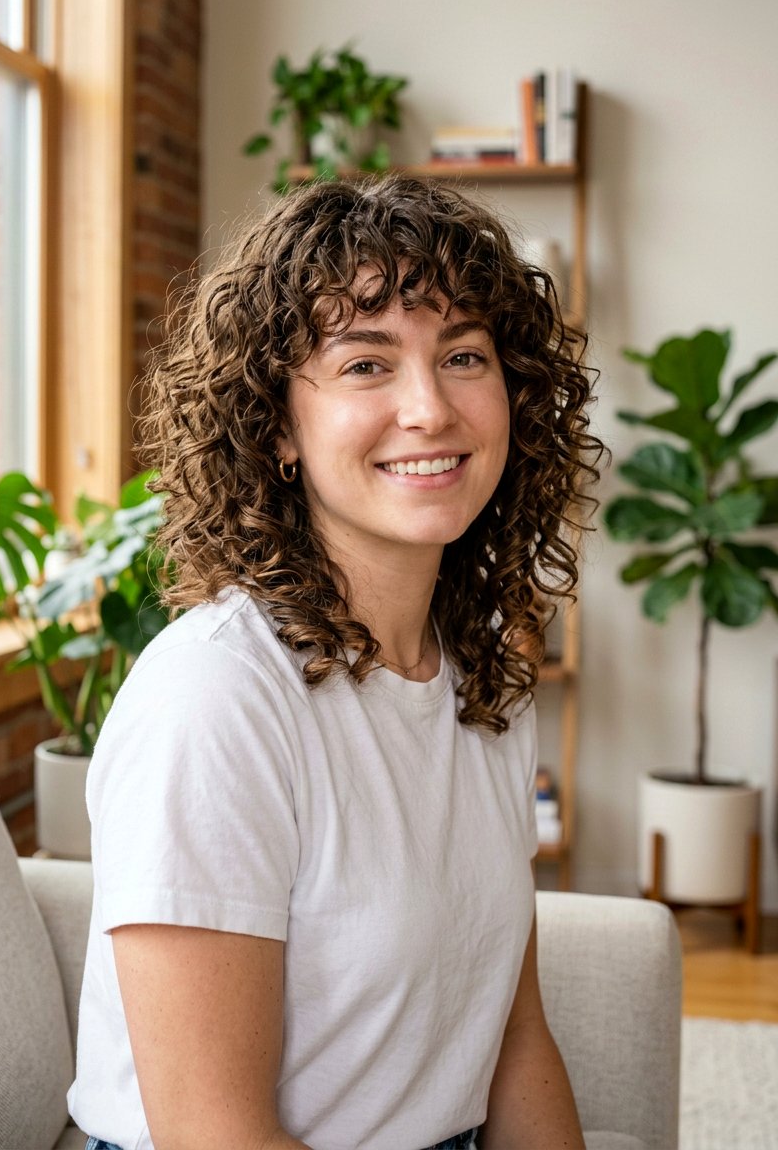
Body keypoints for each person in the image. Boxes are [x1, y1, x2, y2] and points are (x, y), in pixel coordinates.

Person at [68, 175, 602, 1150]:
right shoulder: (215, 698)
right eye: (365, 364)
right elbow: (211, 1132)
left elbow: (513, 1038)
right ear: (277, 425)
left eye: (464, 355)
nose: (428, 408)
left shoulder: (478, 673)